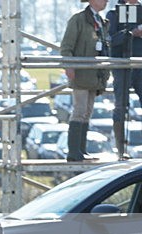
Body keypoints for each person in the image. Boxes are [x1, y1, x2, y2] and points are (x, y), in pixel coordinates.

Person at [60, 0, 110, 161]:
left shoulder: (101, 21)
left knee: (87, 112)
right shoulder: (78, 19)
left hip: (94, 75)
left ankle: (81, 150)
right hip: (81, 74)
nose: (106, 1)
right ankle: (74, 152)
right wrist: (69, 66)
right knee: (80, 111)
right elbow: (66, 46)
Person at [107, 0, 142, 158]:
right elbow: (110, 40)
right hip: (121, 64)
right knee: (121, 105)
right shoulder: (114, 14)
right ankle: (121, 150)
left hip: (140, 65)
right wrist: (131, 33)